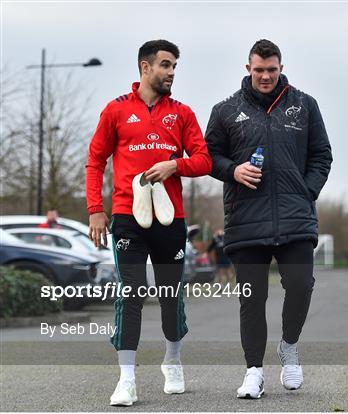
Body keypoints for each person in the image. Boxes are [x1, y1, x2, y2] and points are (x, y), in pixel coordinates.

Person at [86, 39, 212, 406]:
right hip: (127, 216)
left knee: (171, 295)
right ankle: (126, 379)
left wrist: (176, 165)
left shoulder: (182, 113)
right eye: (166, 65)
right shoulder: (115, 111)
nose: (172, 72)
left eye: (175, 66)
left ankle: (172, 361)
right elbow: (95, 161)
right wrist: (96, 209)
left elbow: (203, 160)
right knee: (131, 293)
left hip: (170, 219)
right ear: (145, 67)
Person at [205, 39, 332, 398]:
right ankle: (253, 371)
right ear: (248, 68)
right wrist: (233, 170)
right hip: (246, 218)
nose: (265, 76)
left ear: (281, 67)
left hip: (296, 217)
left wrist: (305, 191)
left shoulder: (305, 105)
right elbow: (208, 155)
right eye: (259, 70)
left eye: (271, 70)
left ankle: (289, 349)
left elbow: (322, 154)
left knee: (301, 285)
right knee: (252, 297)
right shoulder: (225, 110)